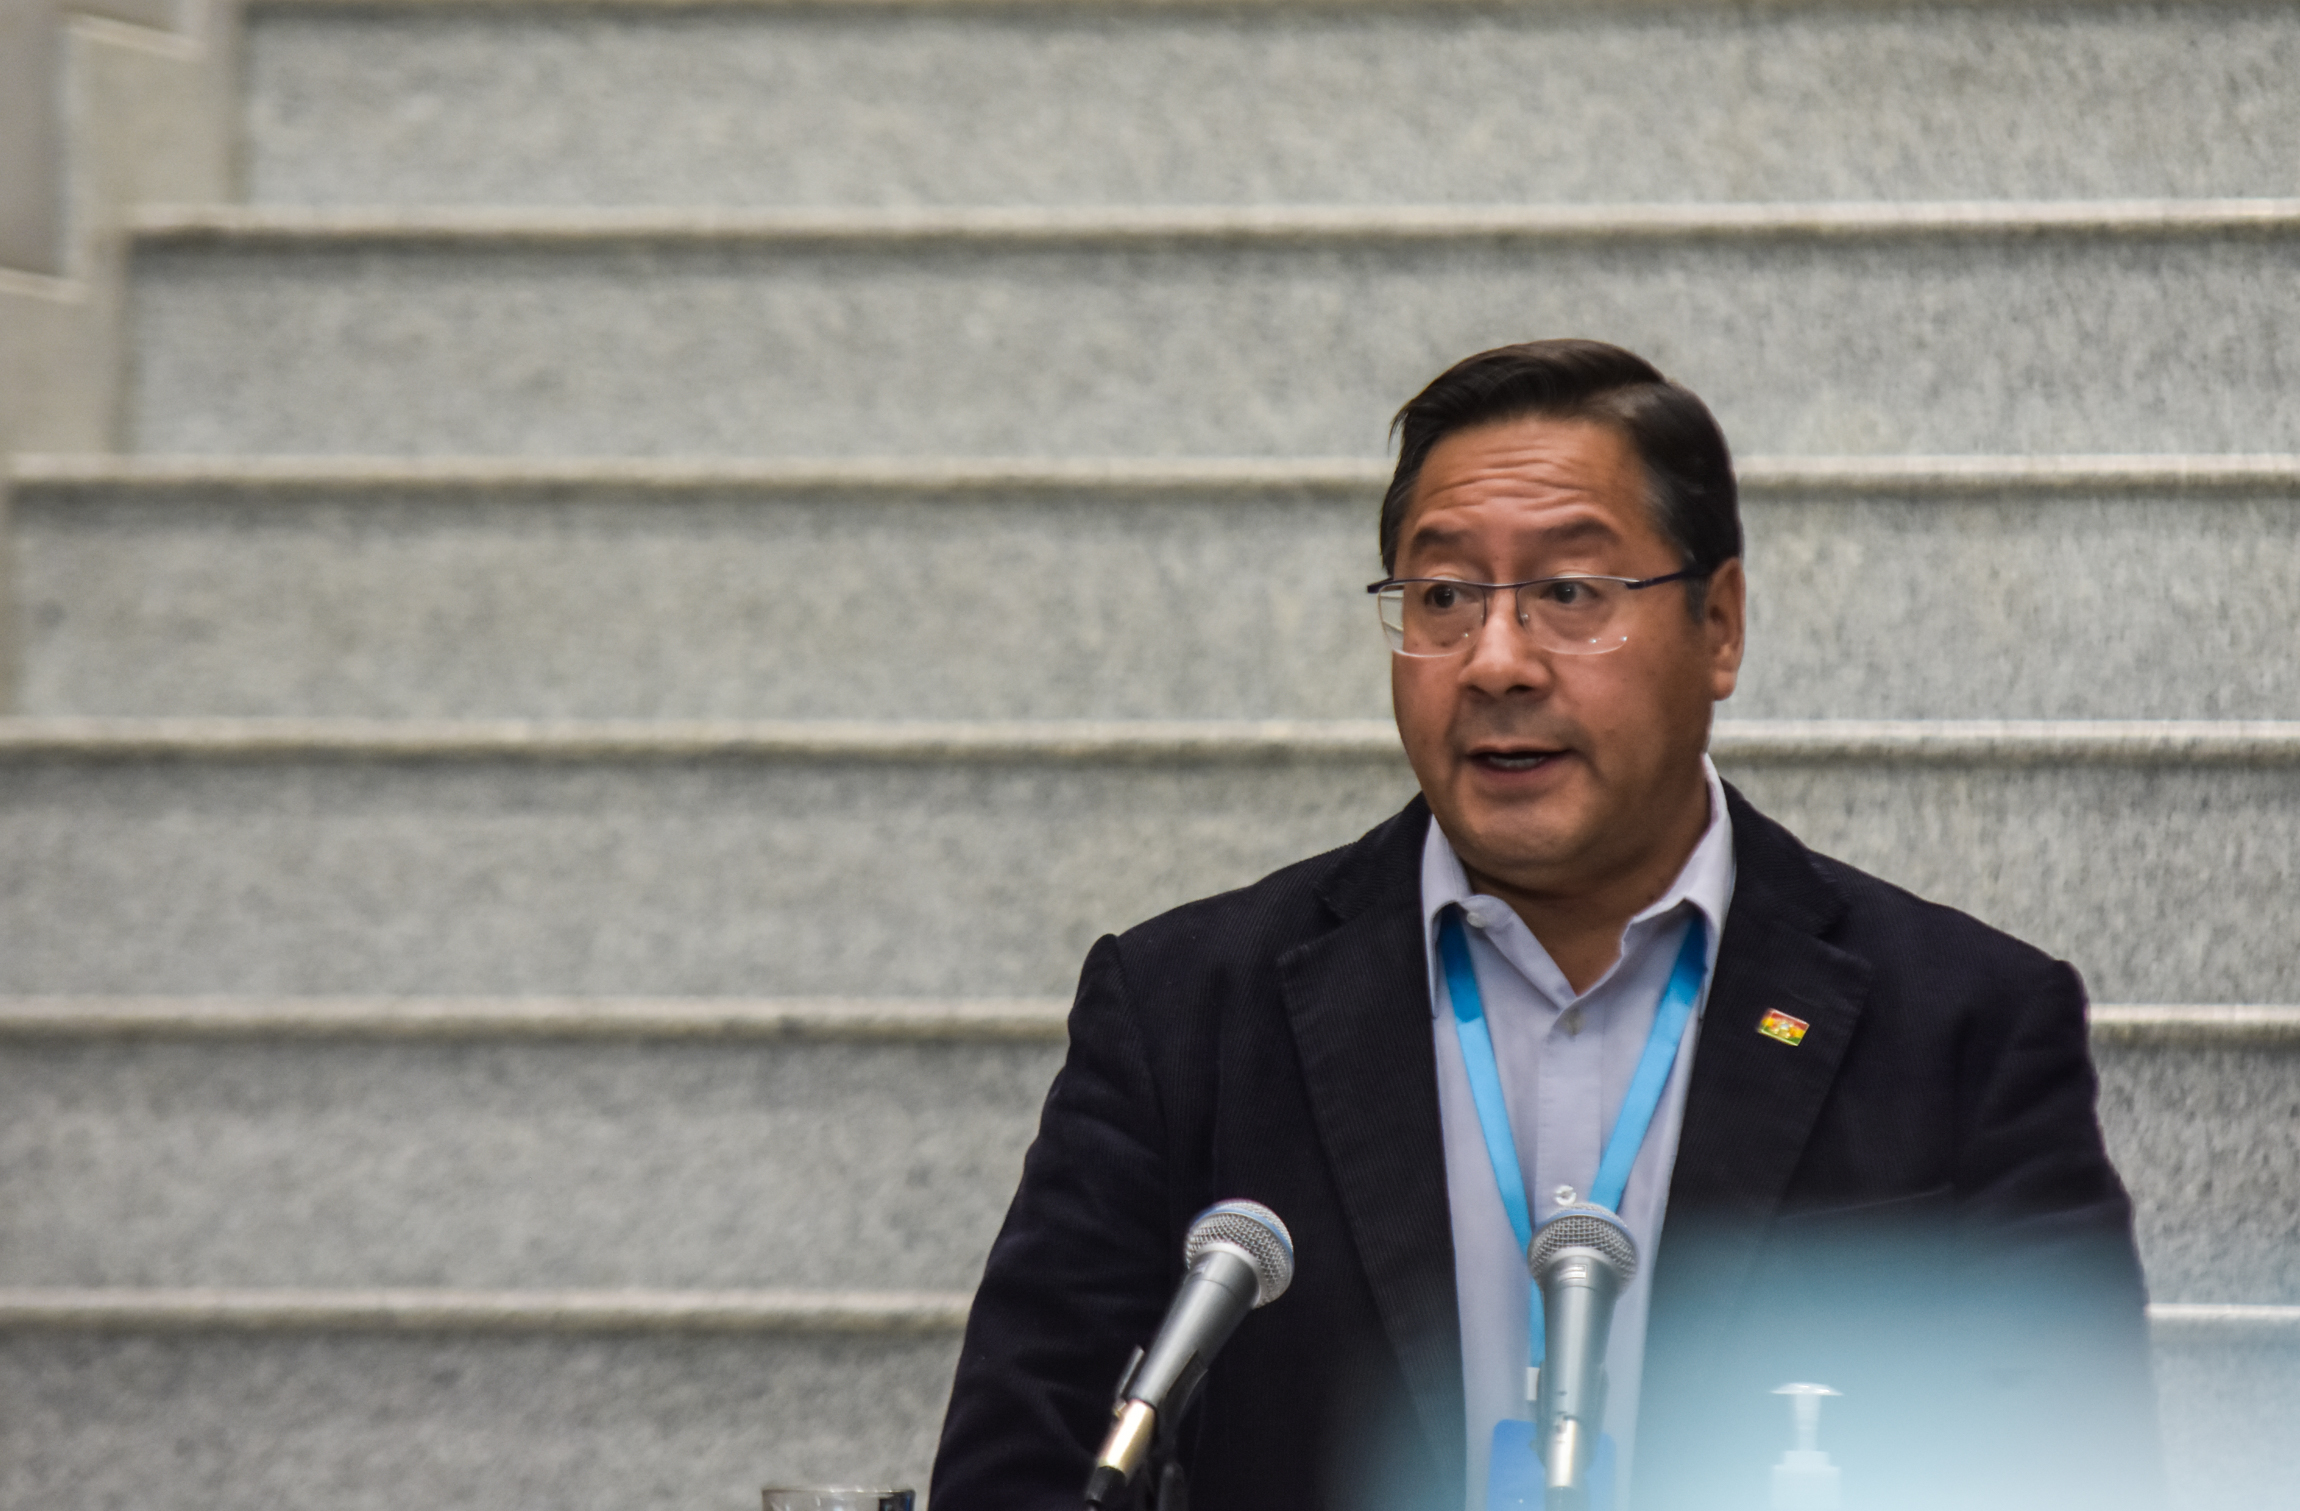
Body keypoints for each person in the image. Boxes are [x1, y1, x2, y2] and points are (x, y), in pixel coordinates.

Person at [927, 340, 2161, 1511]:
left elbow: (2071, 1465)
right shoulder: (1185, 1011)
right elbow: (1026, 1465)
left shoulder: (1958, 1024)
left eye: (1568, 591)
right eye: (1442, 595)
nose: (1495, 660)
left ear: (1718, 625)